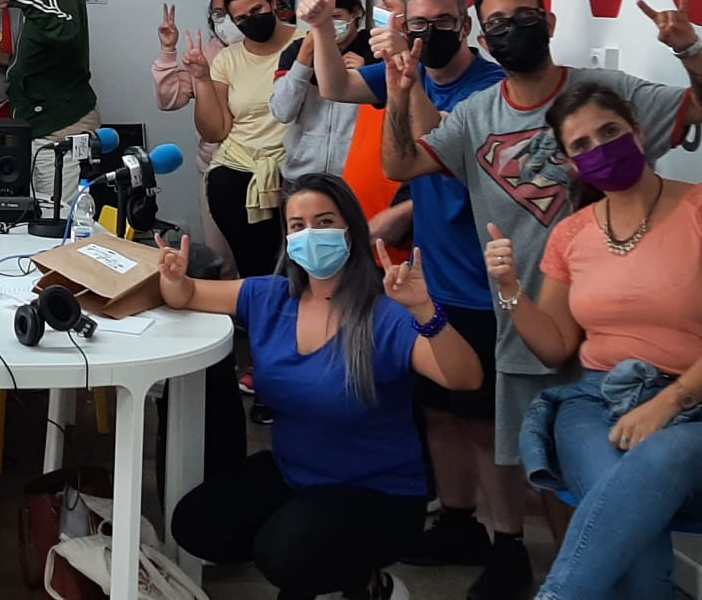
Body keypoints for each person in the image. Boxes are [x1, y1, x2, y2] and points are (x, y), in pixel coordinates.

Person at [380, 0, 702, 557]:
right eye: (497, 23)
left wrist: (688, 48)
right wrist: (399, 95)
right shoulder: (474, 115)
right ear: (483, 38)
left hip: (617, 319)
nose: (512, 29)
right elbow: (401, 165)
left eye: (523, 17)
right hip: (530, 322)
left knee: (635, 473)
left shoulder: (603, 96)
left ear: (547, 21)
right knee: (555, 471)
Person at [165, 175, 483, 600]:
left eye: (324, 221)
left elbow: (465, 378)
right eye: (297, 226)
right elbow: (186, 294)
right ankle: (324, 560)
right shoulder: (270, 296)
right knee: (196, 525)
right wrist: (173, 277)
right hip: (295, 473)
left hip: (378, 492)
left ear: (350, 228)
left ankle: (366, 581)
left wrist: (426, 310)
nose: (310, 235)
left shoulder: (384, 314)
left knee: (283, 555)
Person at [488, 83, 702, 599]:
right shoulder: (571, 234)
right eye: (581, 145)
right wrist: (510, 289)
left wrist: (668, 403)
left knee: (659, 459)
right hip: (596, 401)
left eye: (610, 132)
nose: (600, 149)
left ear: (638, 131)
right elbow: (555, 346)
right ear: (570, 163)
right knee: (635, 549)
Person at [309, 0, 518, 592]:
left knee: (484, 422)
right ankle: (458, 520)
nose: (428, 35)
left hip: (484, 280)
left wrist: (407, 74)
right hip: (431, 278)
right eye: (416, 23)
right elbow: (336, 86)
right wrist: (322, 31)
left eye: (441, 23)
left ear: (465, 25)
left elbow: (440, 149)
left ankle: (509, 543)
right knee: (438, 412)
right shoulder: (408, 71)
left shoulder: (491, 88)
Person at [182, 0, 303, 277]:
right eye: (241, 18)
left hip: (293, 171)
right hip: (235, 170)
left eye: (257, 10)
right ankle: (257, 305)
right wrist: (201, 79)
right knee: (255, 269)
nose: (251, 20)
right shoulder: (228, 59)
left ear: (272, 3)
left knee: (296, 268)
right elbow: (216, 131)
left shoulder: (306, 43)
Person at [0, 0, 98, 216]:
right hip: (43, 126)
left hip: (59, 127)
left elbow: (66, 28)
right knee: (41, 212)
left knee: (56, 215)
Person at [153, 0, 240, 277]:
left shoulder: (267, 51)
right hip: (214, 167)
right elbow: (169, 100)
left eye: (232, 12)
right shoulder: (206, 52)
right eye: (218, 13)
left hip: (262, 170)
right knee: (221, 260)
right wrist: (168, 50)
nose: (226, 20)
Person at [269, 0, 370, 188]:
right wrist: (304, 59)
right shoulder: (297, 50)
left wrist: (364, 76)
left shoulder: (372, 49)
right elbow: (282, 112)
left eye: (336, 16)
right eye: (322, 18)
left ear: (356, 13)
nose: (329, 25)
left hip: (356, 178)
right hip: (302, 177)